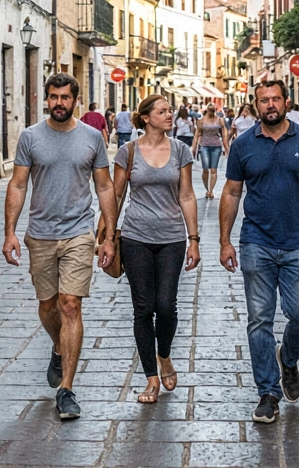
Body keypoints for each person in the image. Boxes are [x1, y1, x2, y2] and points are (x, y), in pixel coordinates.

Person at [219, 80, 299, 424]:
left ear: (287, 102)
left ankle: (287, 358)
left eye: (275, 99)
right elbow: (231, 192)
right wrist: (225, 240)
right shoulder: (243, 144)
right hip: (255, 242)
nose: (270, 104)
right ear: (255, 105)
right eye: (264, 100)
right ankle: (268, 393)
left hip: (298, 242)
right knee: (260, 318)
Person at [4, 73, 119, 420]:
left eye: (65, 97)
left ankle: (66, 389)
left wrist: (109, 235)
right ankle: (58, 346)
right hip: (40, 233)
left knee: (70, 304)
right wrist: (10, 231)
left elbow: (104, 186)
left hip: (79, 231)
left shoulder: (91, 137)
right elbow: (18, 184)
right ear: (47, 99)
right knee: (48, 306)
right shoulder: (30, 137)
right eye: (53, 97)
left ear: (75, 100)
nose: (59, 103)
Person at [110, 95, 201, 404]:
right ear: (146, 118)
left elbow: (186, 195)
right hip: (135, 236)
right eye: (162, 111)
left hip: (172, 238)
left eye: (169, 111)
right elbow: (116, 195)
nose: (169, 115)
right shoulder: (128, 152)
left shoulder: (180, 150)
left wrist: (194, 239)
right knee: (143, 308)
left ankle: (164, 355)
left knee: (165, 305)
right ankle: (151, 377)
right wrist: (107, 236)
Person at [196, 105, 230, 199]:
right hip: (204, 145)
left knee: (214, 169)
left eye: (213, 110)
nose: (211, 112)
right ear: (207, 110)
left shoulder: (219, 120)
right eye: (210, 110)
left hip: (216, 146)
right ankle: (207, 189)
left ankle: (210, 191)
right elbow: (198, 133)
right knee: (205, 169)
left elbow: (224, 131)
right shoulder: (201, 120)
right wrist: (195, 146)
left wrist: (225, 142)